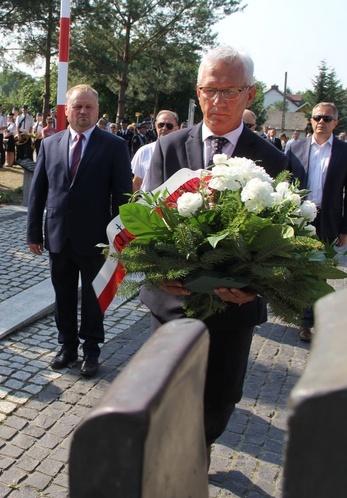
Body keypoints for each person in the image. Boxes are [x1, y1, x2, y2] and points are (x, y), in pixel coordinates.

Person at [142, 46, 287, 463]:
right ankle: (174, 462)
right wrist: (156, 275)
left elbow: (282, 244)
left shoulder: (273, 160)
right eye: (209, 91)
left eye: (229, 91)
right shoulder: (169, 148)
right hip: (172, 304)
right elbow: (146, 224)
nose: (218, 102)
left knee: (220, 400)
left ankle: (201, 444)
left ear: (250, 95)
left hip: (231, 312)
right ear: (198, 92)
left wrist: (256, 289)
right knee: (167, 394)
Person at [26, 84, 132, 378]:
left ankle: (92, 351)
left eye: (89, 107)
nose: (83, 112)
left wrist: (118, 238)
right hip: (59, 237)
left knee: (94, 298)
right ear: (67, 110)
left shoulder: (114, 146)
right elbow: (38, 194)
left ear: (97, 111)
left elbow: (122, 197)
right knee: (62, 295)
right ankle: (67, 346)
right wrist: (34, 233)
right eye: (77, 107)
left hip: (97, 239)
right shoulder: (49, 144)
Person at [287, 102, 347, 342]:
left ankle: (308, 322)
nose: (321, 122)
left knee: (319, 272)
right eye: (317, 117)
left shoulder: (346, 152)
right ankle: (297, 313)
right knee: (298, 269)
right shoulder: (294, 148)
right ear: (311, 120)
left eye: (327, 119)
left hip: (328, 219)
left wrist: (345, 228)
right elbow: (283, 184)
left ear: (335, 123)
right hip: (299, 218)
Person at [131, 110, 179, 192]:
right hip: (146, 202)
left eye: (169, 126)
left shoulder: (181, 153)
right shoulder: (144, 151)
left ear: (176, 129)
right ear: (156, 126)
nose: (164, 128)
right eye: (161, 125)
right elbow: (136, 184)